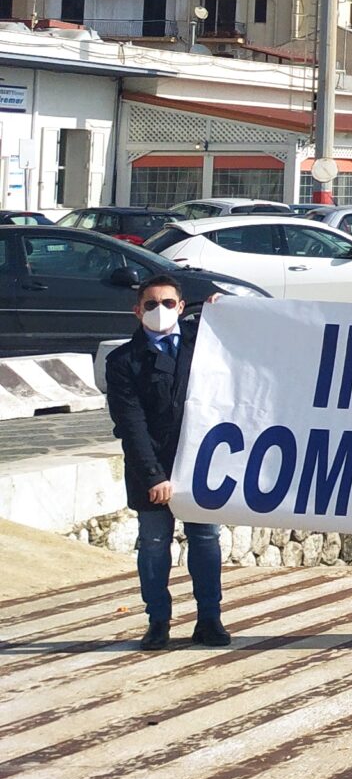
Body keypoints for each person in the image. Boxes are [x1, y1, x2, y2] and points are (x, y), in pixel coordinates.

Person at [102, 277, 226, 650]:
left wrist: (229, 303)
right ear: (137, 310)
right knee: (155, 544)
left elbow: (250, 325)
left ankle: (209, 619)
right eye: (151, 304)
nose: (161, 311)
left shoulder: (199, 342)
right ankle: (158, 621)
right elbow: (130, 423)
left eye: (168, 303)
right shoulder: (123, 360)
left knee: (206, 540)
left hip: (198, 465)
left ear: (182, 307)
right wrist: (154, 475)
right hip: (150, 468)